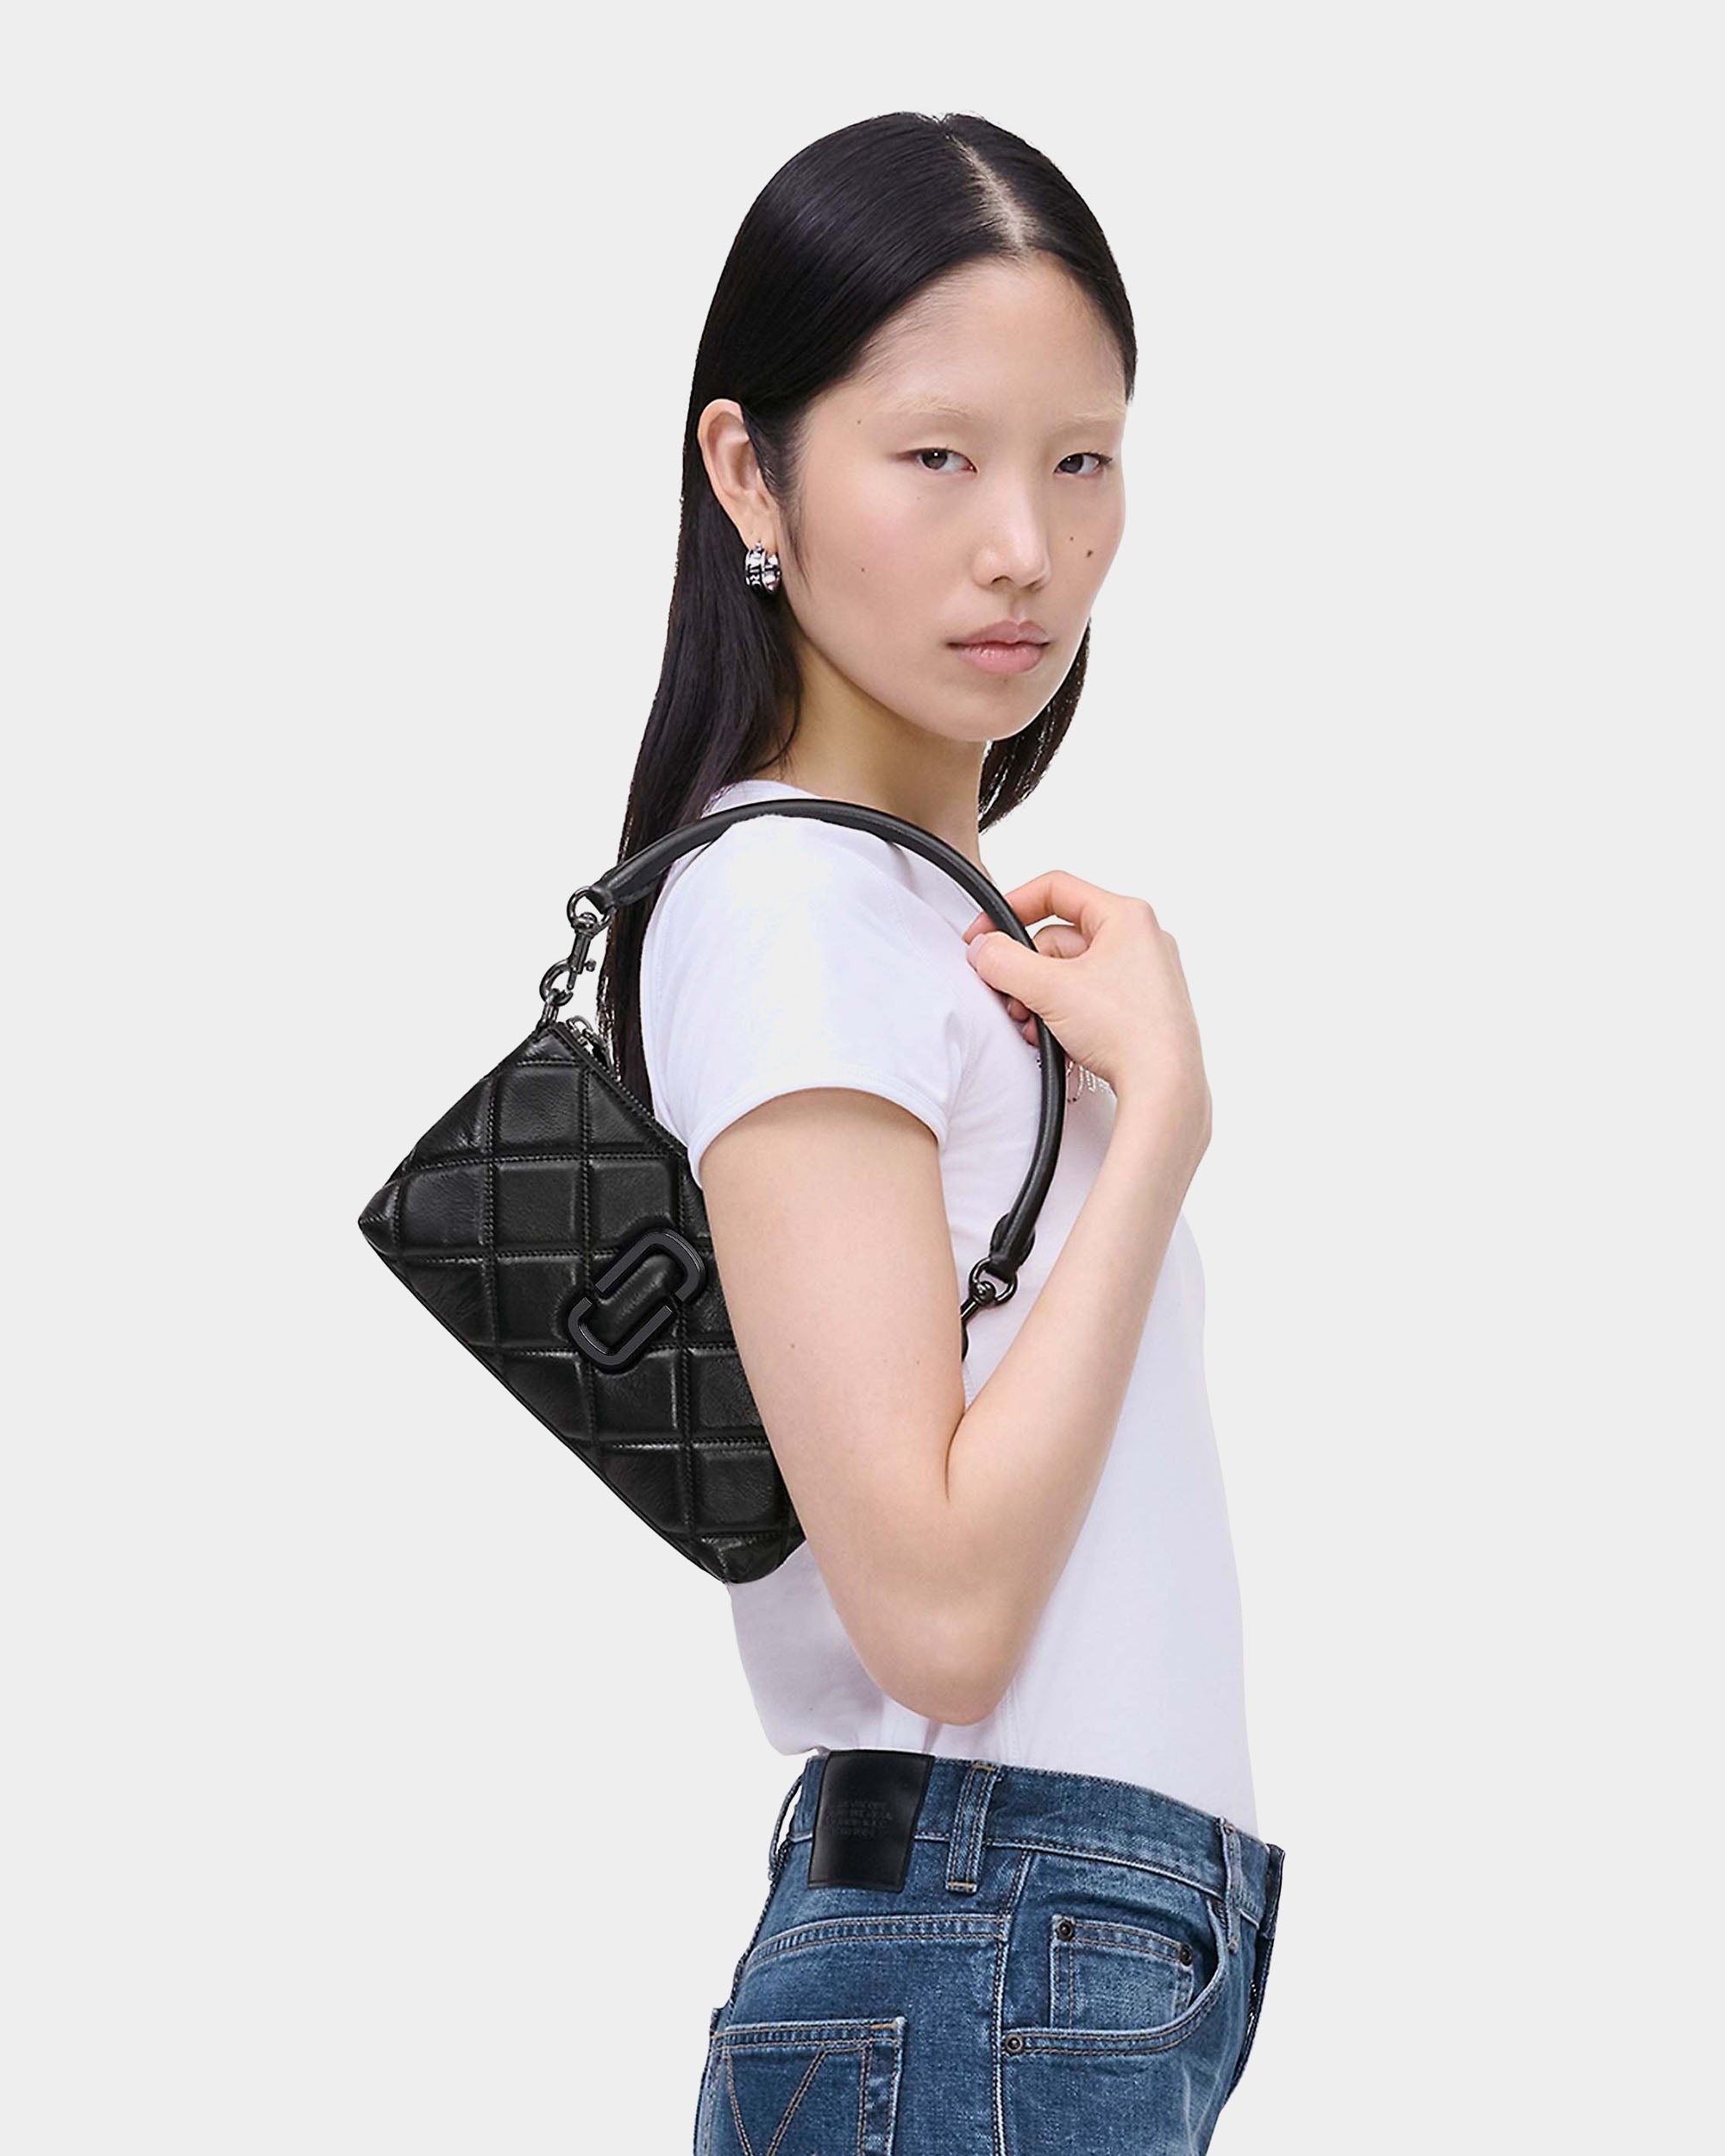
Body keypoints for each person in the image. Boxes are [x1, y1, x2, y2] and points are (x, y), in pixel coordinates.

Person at [599, 110, 1285, 2155]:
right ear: (750, 471)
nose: (1026, 547)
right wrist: (1155, 1128)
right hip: (992, 1938)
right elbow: (939, 1614)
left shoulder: (900, 914)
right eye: (935, 457)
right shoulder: (793, 908)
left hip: (1051, 1945)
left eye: (1080, 459)